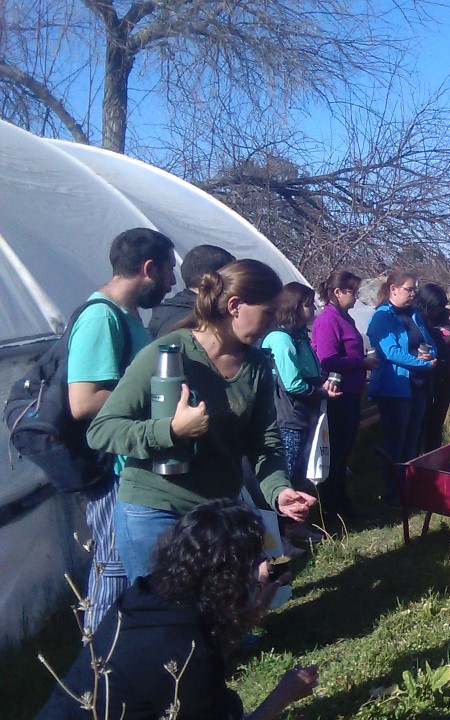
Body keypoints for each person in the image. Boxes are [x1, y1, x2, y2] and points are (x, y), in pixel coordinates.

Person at [87, 259, 315, 582]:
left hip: (217, 517)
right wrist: (170, 431)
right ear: (235, 306)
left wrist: (279, 490)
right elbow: (102, 430)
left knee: (216, 617)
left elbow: (264, 440)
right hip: (155, 513)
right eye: (267, 313)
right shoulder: (165, 354)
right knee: (166, 621)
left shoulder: (257, 366)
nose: (274, 324)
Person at [36, 499, 319, 720]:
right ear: (228, 575)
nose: (261, 563)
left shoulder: (147, 594)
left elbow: (209, 653)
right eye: (253, 558)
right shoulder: (184, 653)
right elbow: (199, 661)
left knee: (228, 705)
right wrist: (284, 694)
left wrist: (255, 608)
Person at [68, 227, 177, 635]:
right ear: (148, 269)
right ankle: (96, 679)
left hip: (131, 465)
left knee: (133, 569)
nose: (172, 283)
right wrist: (153, 404)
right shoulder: (101, 317)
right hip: (111, 472)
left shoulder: (128, 317)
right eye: (168, 271)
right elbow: (83, 401)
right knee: (113, 570)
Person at [260, 283, 341, 540]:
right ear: (293, 306)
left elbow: (310, 372)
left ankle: (295, 527)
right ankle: (282, 532)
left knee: (301, 471)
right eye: (307, 304)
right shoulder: (280, 338)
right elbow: (293, 382)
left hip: (305, 413)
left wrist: (322, 383)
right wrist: (320, 392)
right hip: (289, 416)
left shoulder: (299, 336)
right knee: (288, 472)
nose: (313, 308)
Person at [367, 270, 436, 508]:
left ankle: (408, 488)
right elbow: (392, 352)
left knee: (412, 440)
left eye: (415, 289)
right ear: (394, 289)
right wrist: (423, 363)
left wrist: (430, 354)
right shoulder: (382, 318)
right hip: (395, 388)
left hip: (418, 386)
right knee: (395, 442)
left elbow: (428, 341)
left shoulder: (414, 314)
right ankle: (391, 493)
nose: (413, 293)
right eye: (409, 289)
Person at [312, 271, 377, 517]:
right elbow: (327, 360)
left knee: (345, 449)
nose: (356, 298)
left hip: (352, 392)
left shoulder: (345, 318)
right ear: (338, 292)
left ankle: (340, 498)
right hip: (338, 395)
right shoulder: (328, 320)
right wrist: (361, 363)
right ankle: (332, 503)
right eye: (353, 292)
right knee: (337, 450)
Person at [416, 282, 450, 454]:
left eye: (441, 307)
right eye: (436, 307)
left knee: (436, 427)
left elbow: (448, 337)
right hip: (428, 380)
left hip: (446, 378)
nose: (439, 310)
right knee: (421, 427)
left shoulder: (443, 318)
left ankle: (434, 460)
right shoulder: (417, 320)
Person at [148, 244, 236, 337]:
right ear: (214, 279)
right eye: (231, 278)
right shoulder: (200, 321)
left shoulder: (165, 311)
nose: (234, 285)